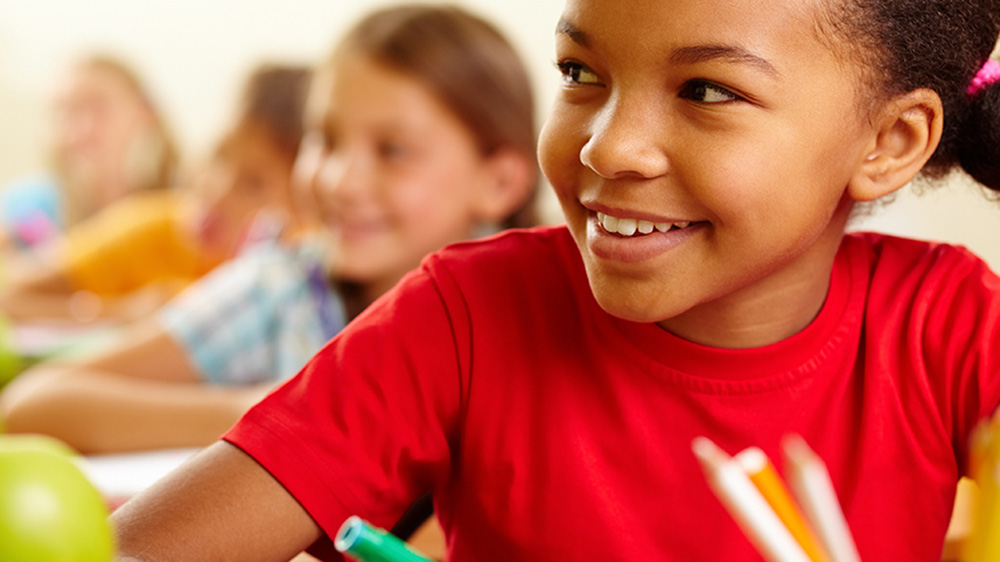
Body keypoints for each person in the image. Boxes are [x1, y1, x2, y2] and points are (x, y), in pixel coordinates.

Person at [104, 0, 1000, 559]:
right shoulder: (466, 314)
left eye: (707, 91)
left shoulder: (949, 324)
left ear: (890, 143)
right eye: (582, 74)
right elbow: (140, 553)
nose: (606, 144)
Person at [0, 4, 538, 461]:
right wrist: (262, 410)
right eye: (324, 139)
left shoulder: (539, 320)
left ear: (500, 180)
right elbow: (32, 404)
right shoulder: (282, 293)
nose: (338, 181)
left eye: (392, 151)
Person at [0, 63, 311, 325]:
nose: (215, 193)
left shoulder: (307, 272)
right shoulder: (151, 227)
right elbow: (9, 296)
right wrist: (121, 312)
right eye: (218, 156)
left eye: (253, 184)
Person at [0, 54, 177, 252]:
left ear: (145, 110)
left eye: (98, 106)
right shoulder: (24, 210)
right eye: (66, 110)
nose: (83, 128)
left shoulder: (181, 206)